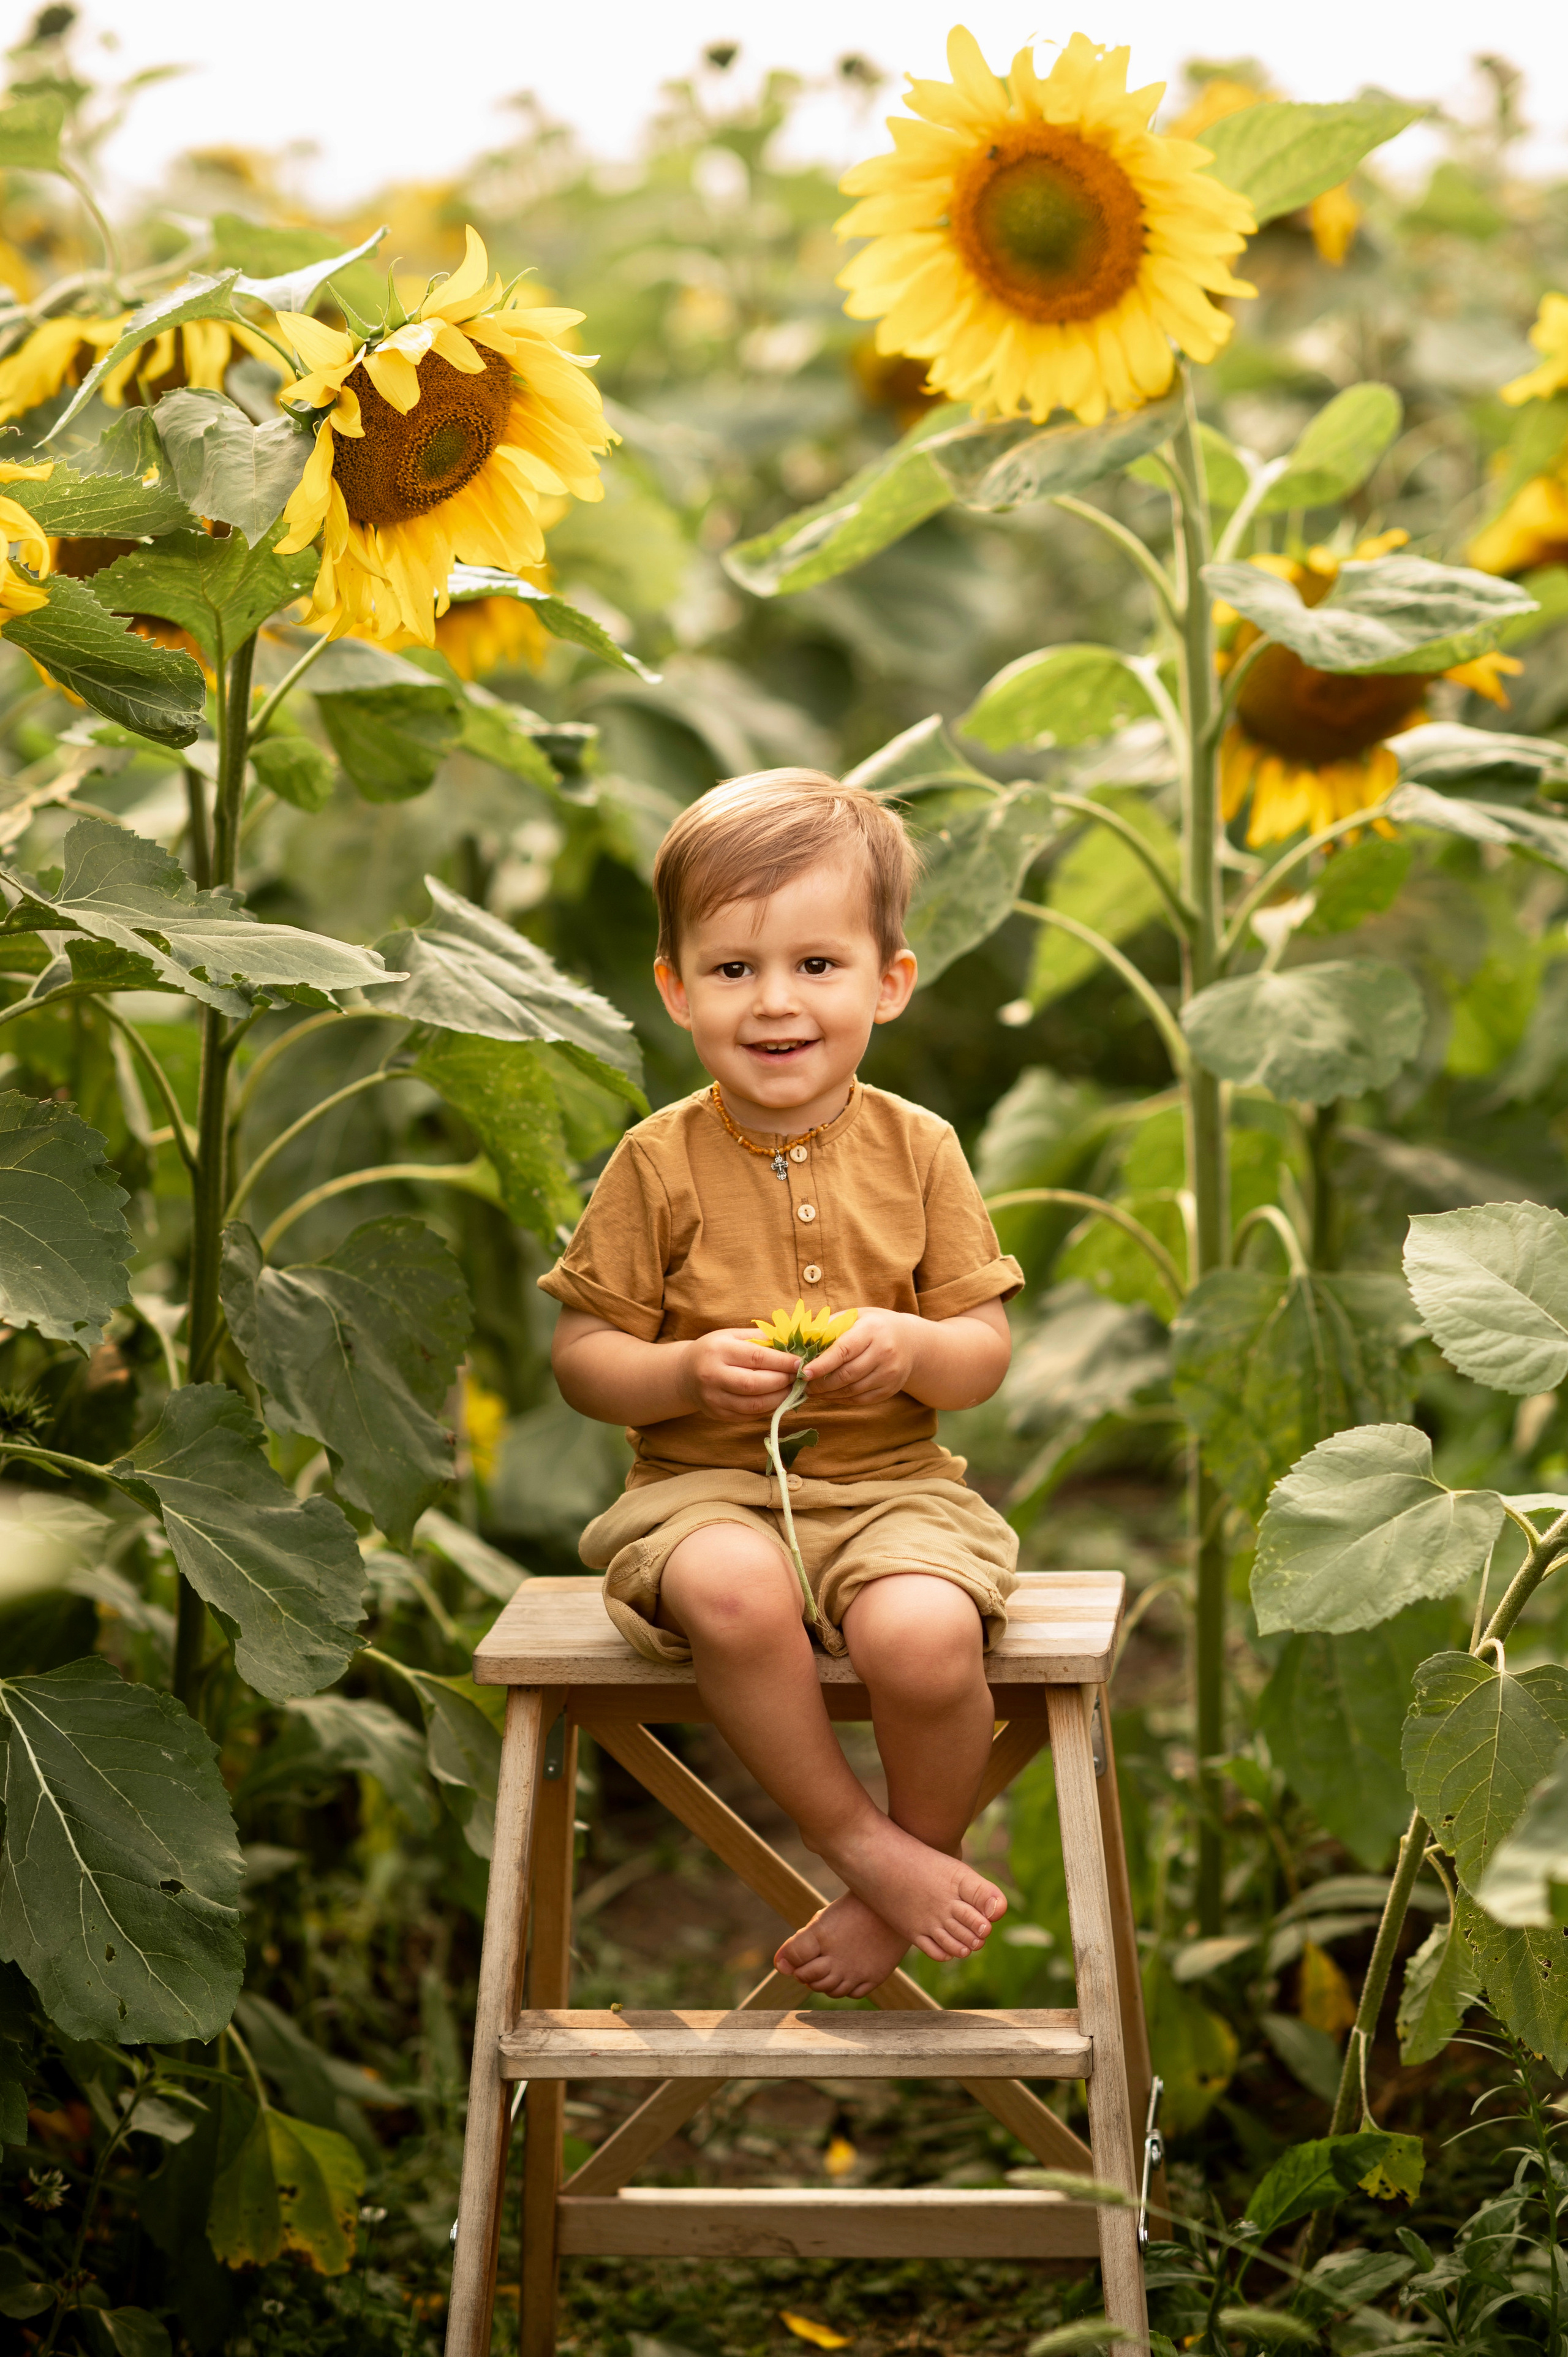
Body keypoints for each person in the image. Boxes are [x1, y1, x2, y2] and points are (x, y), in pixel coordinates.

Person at [542, 768, 1025, 2000]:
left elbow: (979, 1352)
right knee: (729, 1588)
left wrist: (909, 1347)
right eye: (732, 968)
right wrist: (681, 1372)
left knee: (924, 1639)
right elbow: (583, 1361)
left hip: (893, 1489)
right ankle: (856, 1844)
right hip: (703, 1488)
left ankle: (912, 1869)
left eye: (817, 965)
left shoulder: (921, 1149)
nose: (775, 1002)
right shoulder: (655, 1161)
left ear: (888, 982)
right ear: (674, 989)